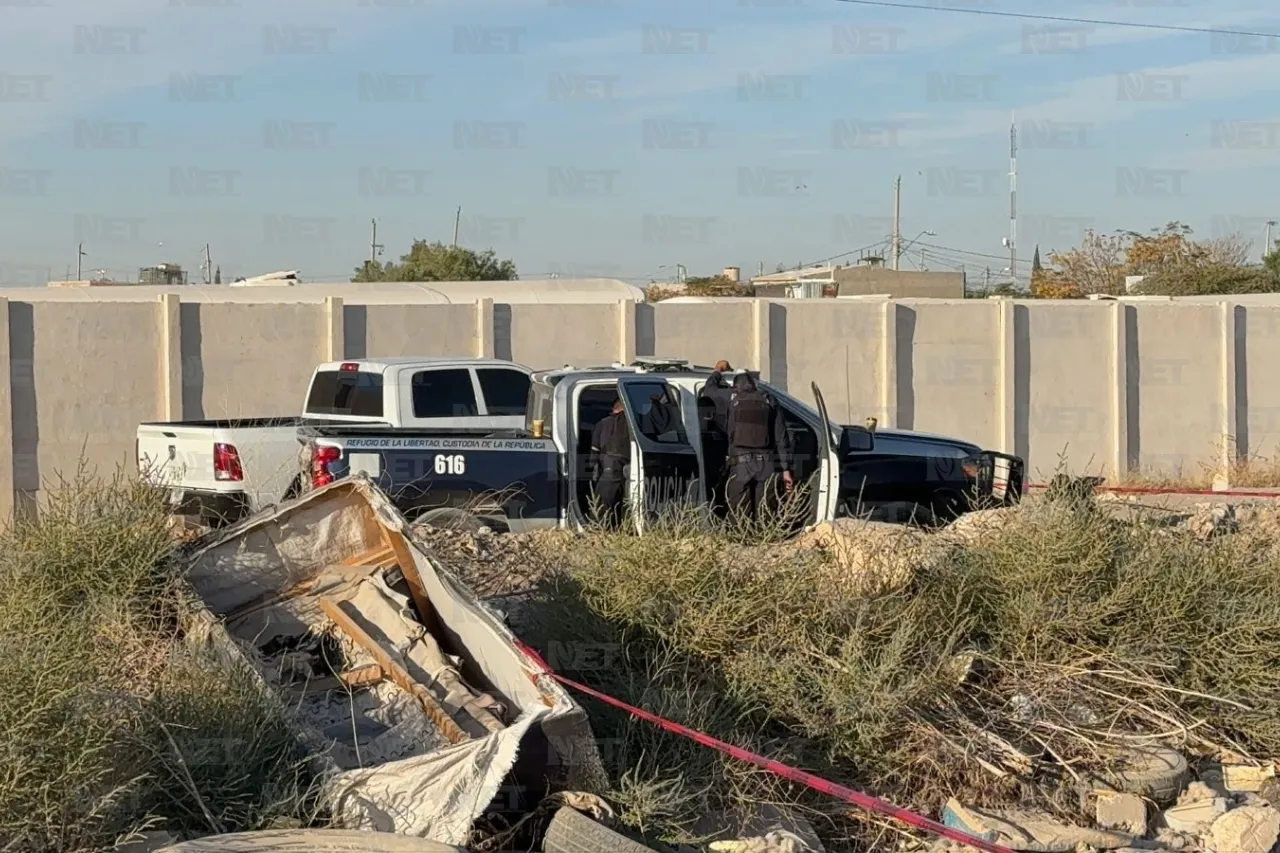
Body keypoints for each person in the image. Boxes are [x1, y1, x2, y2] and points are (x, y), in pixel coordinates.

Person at [724, 372, 794, 523]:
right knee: (765, 513)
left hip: (740, 464)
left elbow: (729, 435)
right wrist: (786, 469)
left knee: (739, 516)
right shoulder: (769, 400)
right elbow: (781, 437)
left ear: (736, 387)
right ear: (754, 385)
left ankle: (741, 542)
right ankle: (763, 542)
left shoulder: (733, 402)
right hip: (766, 465)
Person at [590, 397, 630, 529]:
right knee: (622, 510)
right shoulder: (632, 424)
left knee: (602, 511)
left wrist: (592, 470)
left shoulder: (602, 424)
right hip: (627, 473)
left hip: (606, 474)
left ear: (614, 409)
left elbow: (594, 451)